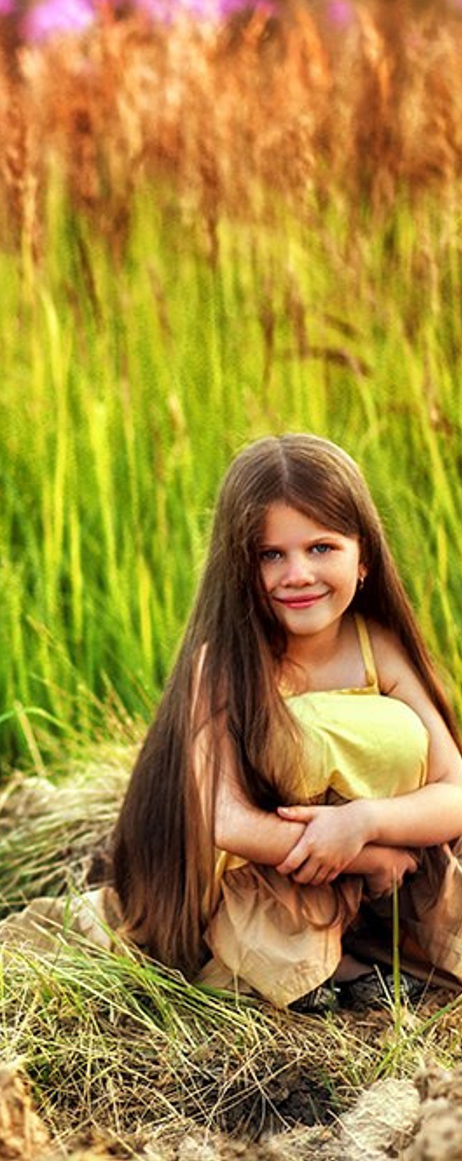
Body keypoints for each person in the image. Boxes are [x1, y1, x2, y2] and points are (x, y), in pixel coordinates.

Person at [110, 433, 462, 1010]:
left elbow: (455, 789)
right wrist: (361, 854)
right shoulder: (224, 663)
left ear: (364, 556)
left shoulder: (380, 647)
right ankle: (323, 966)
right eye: (271, 554)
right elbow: (224, 820)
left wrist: (367, 823)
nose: (297, 573)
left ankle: (366, 944)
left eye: (321, 548)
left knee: (404, 745)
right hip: (268, 891)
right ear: (238, 565)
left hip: (382, 881)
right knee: (288, 742)